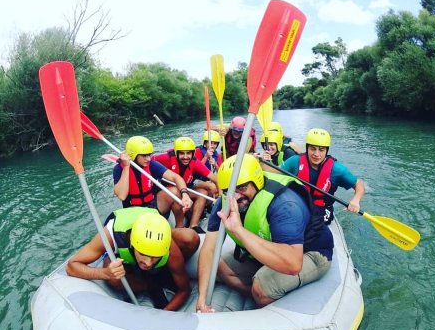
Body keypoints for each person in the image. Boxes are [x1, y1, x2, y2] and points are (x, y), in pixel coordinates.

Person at [196, 154, 333, 312]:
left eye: (242, 188)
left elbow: (293, 264)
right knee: (219, 266)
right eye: (230, 190)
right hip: (272, 249)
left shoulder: (286, 204)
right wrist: (202, 297)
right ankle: (257, 297)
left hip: (310, 252)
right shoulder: (225, 202)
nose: (237, 196)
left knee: (262, 286)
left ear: (257, 182)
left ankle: (263, 295)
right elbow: (209, 249)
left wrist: (239, 231)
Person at [66, 207, 197, 310]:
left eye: (155, 257)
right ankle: (147, 285)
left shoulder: (168, 247)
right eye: (144, 254)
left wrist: (163, 315)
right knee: (114, 279)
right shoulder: (111, 234)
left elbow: (184, 290)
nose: (149, 263)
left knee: (190, 238)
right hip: (122, 259)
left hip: (152, 243)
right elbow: (72, 266)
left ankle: (160, 277)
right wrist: (105, 273)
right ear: (133, 243)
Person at [281, 128, 365, 225]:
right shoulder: (294, 161)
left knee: (313, 224)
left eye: (321, 150)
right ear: (307, 148)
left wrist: (355, 200)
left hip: (322, 209)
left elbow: (359, 184)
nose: (316, 154)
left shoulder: (337, 169)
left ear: (326, 150)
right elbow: (274, 171)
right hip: (298, 204)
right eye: (313, 149)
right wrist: (262, 161)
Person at [113, 136, 193, 216]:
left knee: (176, 190)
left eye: (149, 155)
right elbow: (122, 196)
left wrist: (185, 194)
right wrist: (126, 167)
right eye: (144, 156)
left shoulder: (151, 164)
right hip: (132, 210)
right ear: (133, 155)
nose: (148, 159)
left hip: (152, 205)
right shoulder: (119, 169)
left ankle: (179, 226)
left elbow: (176, 177)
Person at [153, 136, 218, 230]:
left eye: (188, 153)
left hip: (184, 189)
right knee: (176, 191)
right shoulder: (165, 158)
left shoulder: (194, 162)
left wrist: (220, 198)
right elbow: (148, 162)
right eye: (182, 153)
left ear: (192, 153)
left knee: (203, 193)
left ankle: (193, 225)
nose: (185, 157)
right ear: (176, 153)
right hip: (168, 191)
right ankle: (180, 226)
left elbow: (214, 179)